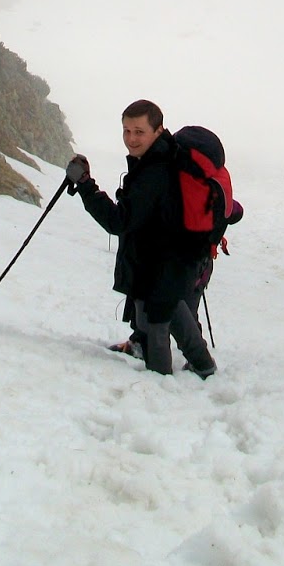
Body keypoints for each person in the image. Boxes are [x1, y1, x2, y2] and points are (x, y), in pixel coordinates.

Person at [65, 99, 217, 379]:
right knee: (173, 309)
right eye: (126, 131)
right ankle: (203, 365)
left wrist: (86, 185)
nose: (131, 139)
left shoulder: (155, 171)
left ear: (158, 130)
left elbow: (118, 221)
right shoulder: (163, 157)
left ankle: (158, 385)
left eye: (139, 131)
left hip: (159, 261)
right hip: (175, 258)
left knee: (156, 322)